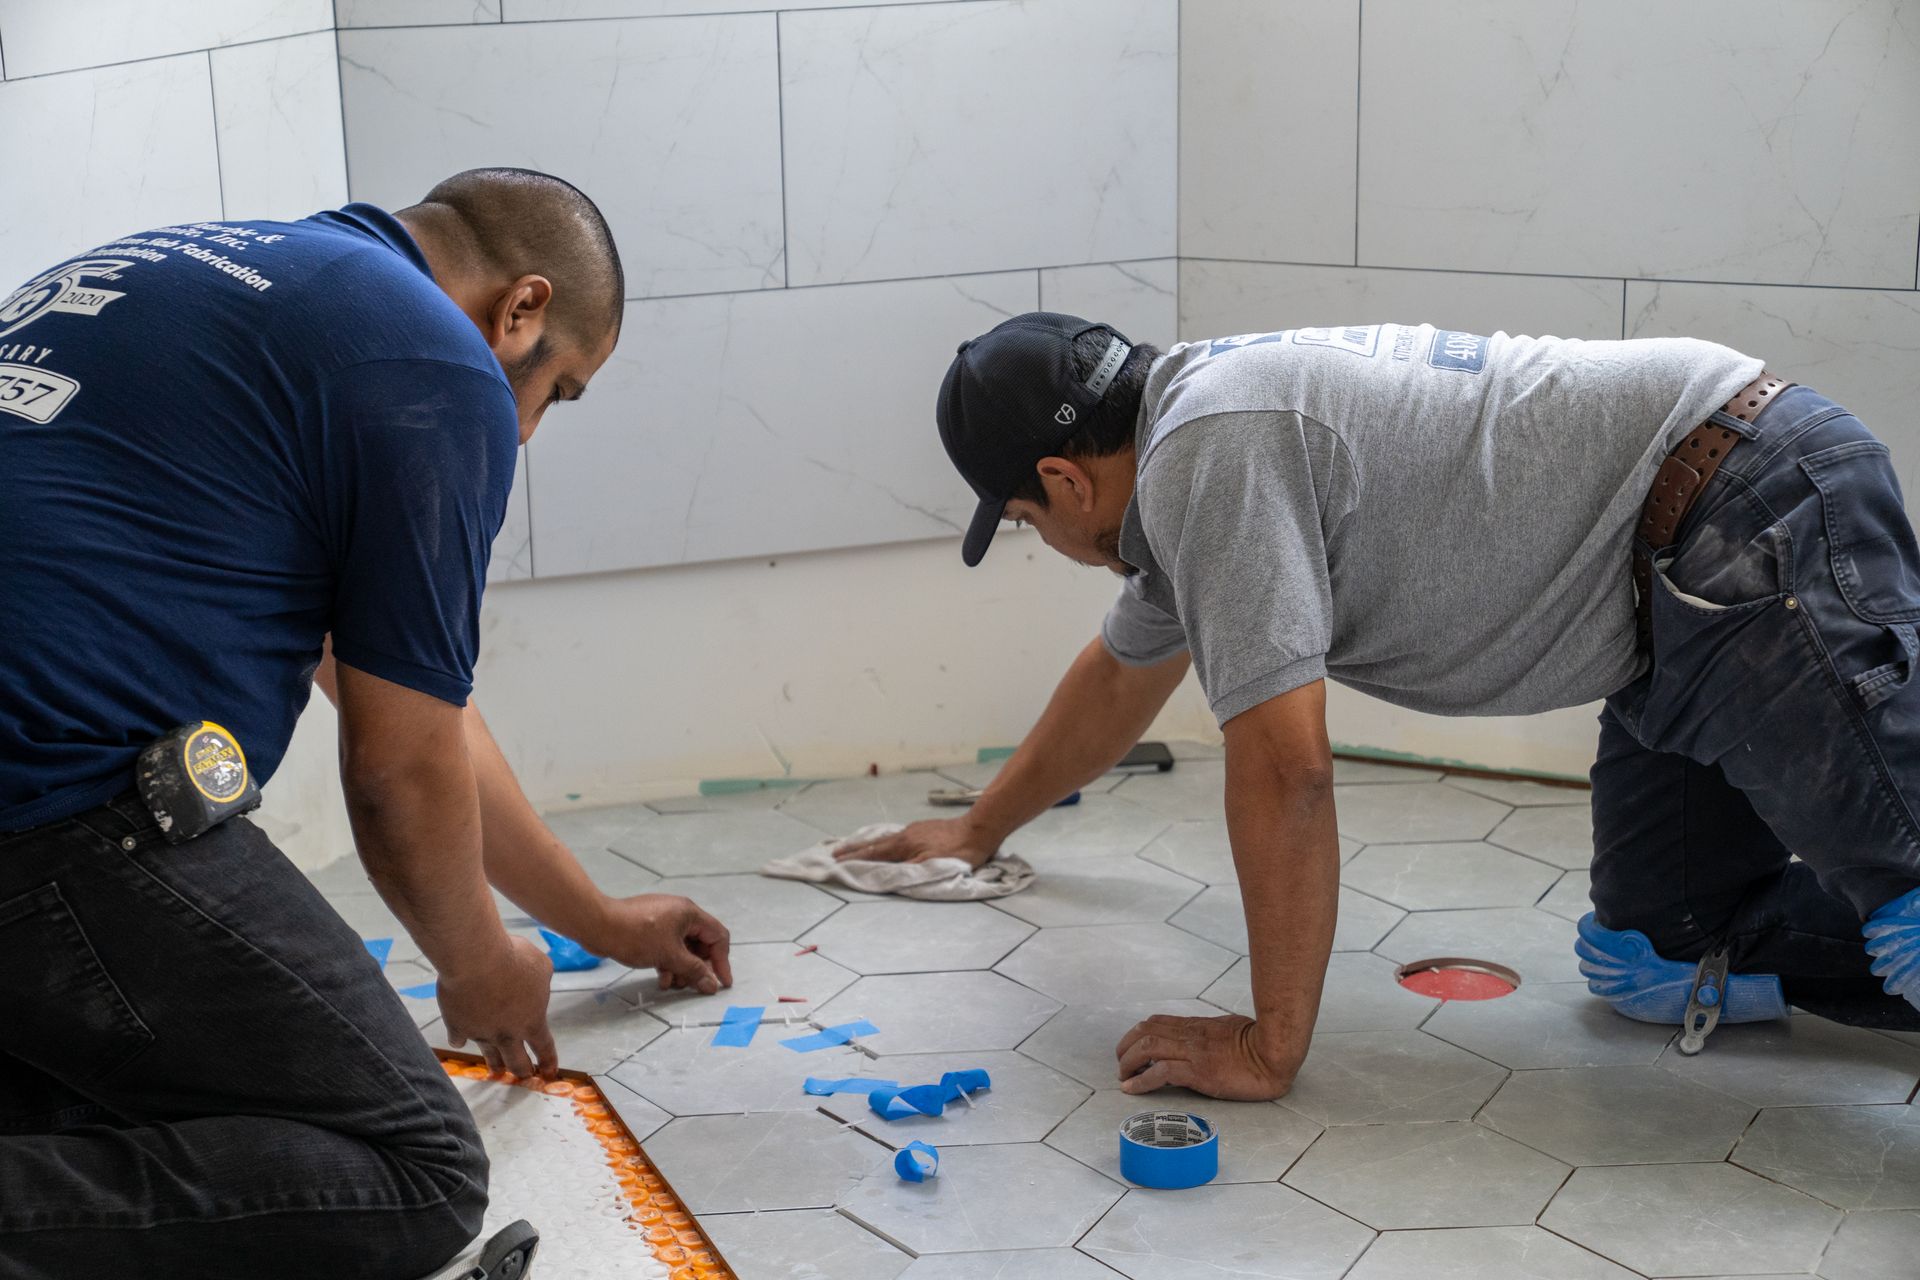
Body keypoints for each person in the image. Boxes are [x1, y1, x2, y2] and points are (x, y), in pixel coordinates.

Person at [842, 310, 1920, 1102]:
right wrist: (978, 829)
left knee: (1915, 909)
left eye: (1028, 520)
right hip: (1673, 593)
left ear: (1065, 481)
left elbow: (1286, 767)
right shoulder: (1191, 444)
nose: (1054, 542)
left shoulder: (1205, 458)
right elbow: (1120, 675)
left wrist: (1271, 1043)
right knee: (1659, 952)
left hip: (1749, 516)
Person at [0, 169, 730, 1279]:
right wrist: (475, 960)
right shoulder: (434, 364)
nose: (525, 432)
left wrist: (603, 920)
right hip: (48, 806)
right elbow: (397, 772)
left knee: (104, 1107)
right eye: (557, 392)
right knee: (416, 1163)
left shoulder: (233, 280)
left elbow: (420, 715)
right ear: (520, 309)